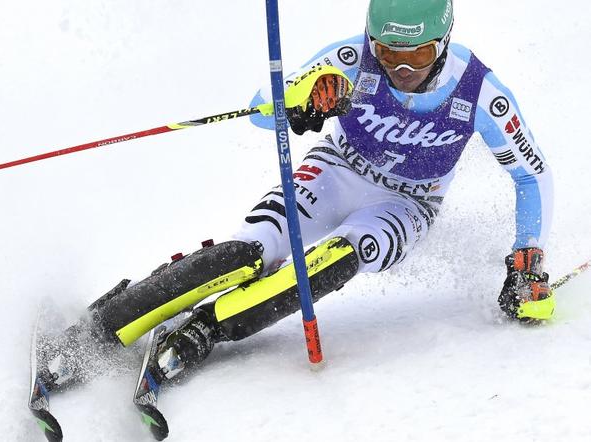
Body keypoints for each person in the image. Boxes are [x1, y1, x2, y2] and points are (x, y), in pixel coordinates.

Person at [40, 0, 554, 391]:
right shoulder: (351, 59)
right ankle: (99, 329)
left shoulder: (480, 92)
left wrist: (528, 261)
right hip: (336, 171)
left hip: (407, 204)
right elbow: (262, 107)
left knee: (340, 257)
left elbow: (532, 176)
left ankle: (206, 329)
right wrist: (302, 101)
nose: (402, 71)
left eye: (417, 54)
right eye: (389, 54)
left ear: (443, 41)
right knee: (250, 254)